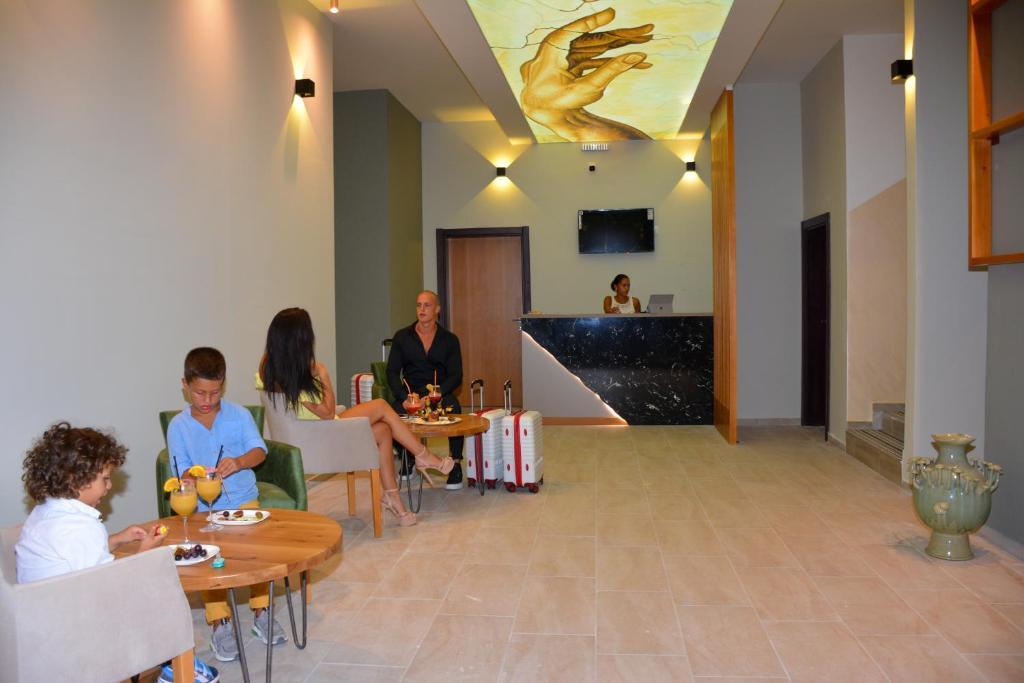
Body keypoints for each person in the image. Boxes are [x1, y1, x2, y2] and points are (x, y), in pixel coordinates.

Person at [16, 422, 220, 683]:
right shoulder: (80, 528)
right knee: (160, 594)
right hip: (76, 632)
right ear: (76, 480)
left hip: (45, 619)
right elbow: (109, 592)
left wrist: (117, 540)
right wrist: (143, 555)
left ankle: (167, 662)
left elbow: (75, 562)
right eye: (105, 479)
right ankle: (177, 667)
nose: (110, 485)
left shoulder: (46, 513)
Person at [256, 307, 453, 527]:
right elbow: (327, 413)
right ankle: (423, 455)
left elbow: (319, 412)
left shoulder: (270, 370)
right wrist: (323, 374)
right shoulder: (296, 378)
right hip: (321, 438)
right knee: (381, 406)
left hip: (310, 433)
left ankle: (393, 499)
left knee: (383, 430)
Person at [166, 347, 285, 664]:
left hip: (243, 499)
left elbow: (259, 451)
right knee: (210, 559)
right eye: (199, 393)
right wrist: (192, 478)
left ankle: (261, 610)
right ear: (185, 385)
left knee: (255, 555)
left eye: (214, 392)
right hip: (203, 506)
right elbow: (180, 470)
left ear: (223, 384)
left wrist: (239, 461)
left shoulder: (239, 415)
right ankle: (219, 621)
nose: (207, 400)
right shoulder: (178, 426)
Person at [386, 290, 466, 489]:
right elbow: (392, 372)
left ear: (437, 309)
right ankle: (408, 456)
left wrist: (434, 395)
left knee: (455, 408)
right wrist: (404, 398)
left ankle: (455, 464)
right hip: (411, 395)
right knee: (390, 415)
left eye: (427, 305)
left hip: (438, 395)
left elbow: (456, 376)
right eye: (418, 305)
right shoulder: (402, 337)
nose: (421, 309)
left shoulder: (450, 340)